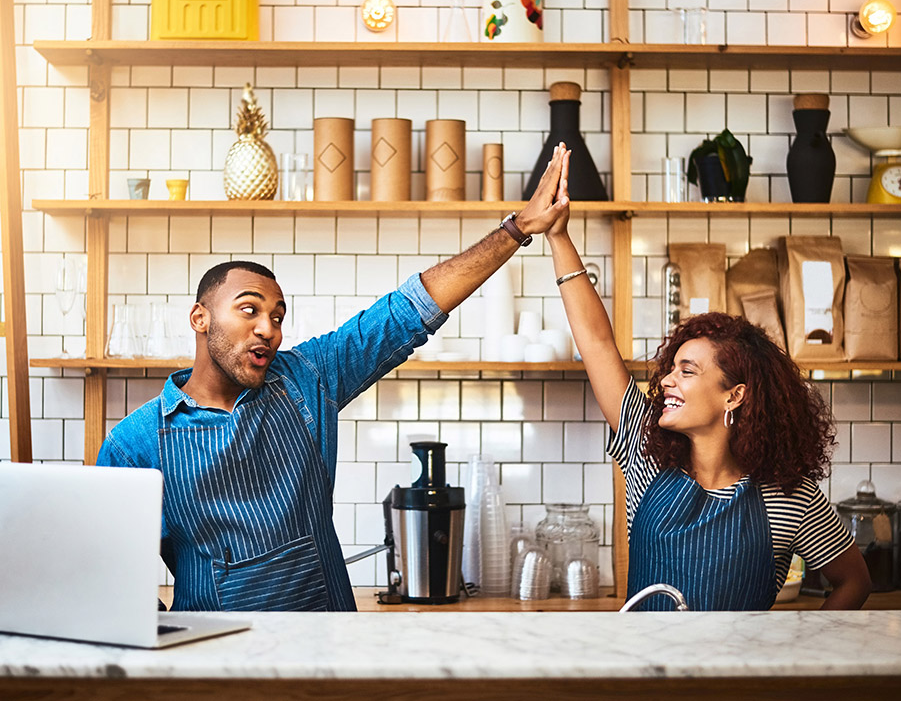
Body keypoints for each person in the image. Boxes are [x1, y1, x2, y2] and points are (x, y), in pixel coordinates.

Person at [97, 145, 573, 613]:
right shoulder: (134, 443)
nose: (268, 328)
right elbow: (114, 576)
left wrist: (517, 229)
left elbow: (408, 311)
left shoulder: (308, 378)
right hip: (216, 670)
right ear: (200, 318)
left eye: (277, 316)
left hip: (327, 652)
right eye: (249, 310)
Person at [544, 172, 871, 611]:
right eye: (671, 368)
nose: (666, 381)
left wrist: (801, 659)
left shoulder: (791, 495)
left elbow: (854, 582)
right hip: (644, 675)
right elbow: (597, 342)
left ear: (733, 396)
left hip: (737, 680)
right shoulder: (647, 457)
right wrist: (558, 237)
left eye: (688, 370)